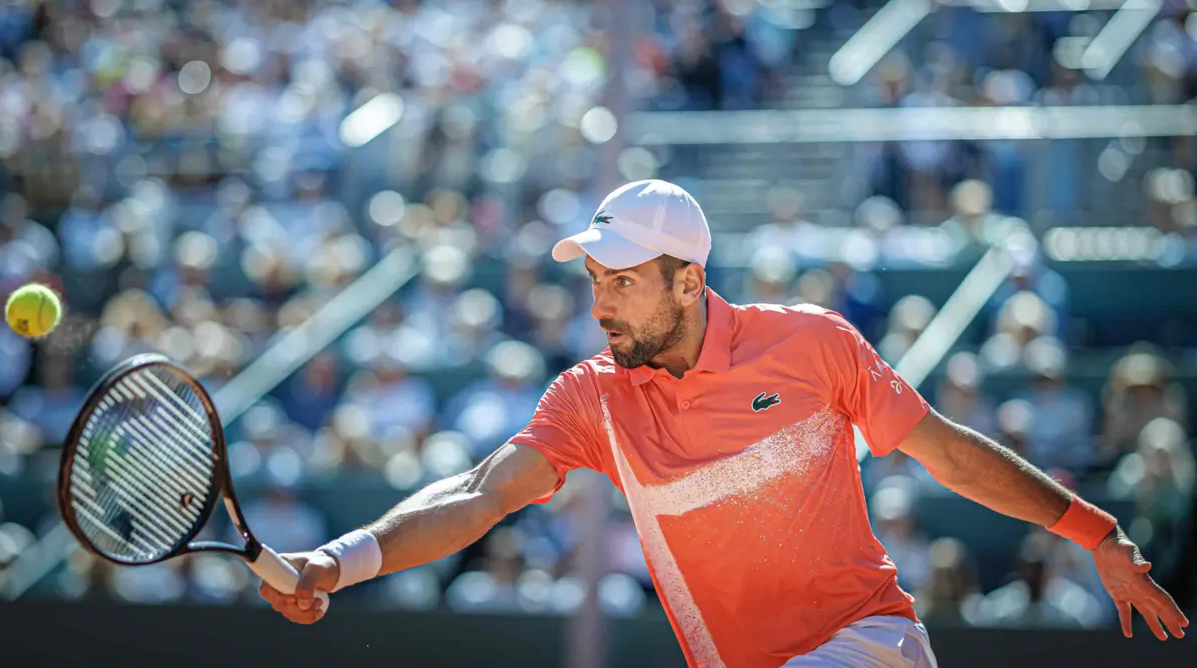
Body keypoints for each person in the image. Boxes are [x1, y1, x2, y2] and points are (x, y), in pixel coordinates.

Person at [260, 180, 1188, 667]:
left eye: (622, 281)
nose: (602, 305)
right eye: (595, 282)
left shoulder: (814, 346)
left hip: (867, 650)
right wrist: (341, 561)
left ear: (691, 281)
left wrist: (1096, 533)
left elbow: (945, 452)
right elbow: (476, 495)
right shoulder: (591, 398)